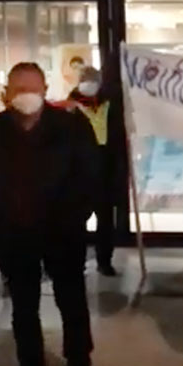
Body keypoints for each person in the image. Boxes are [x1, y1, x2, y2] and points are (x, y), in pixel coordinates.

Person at [0, 62, 101, 366]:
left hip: (62, 232)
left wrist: (75, 217)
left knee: (71, 301)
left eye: (33, 87)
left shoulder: (71, 126)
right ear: (8, 93)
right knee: (23, 308)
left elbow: (89, 176)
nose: (27, 94)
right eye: (19, 88)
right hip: (13, 236)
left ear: (44, 89)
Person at [65, 66, 120, 276]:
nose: (89, 84)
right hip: (79, 167)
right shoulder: (70, 106)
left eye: (93, 80)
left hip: (105, 164)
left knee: (106, 219)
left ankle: (104, 260)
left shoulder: (109, 103)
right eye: (85, 80)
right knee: (77, 219)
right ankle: (75, 260)